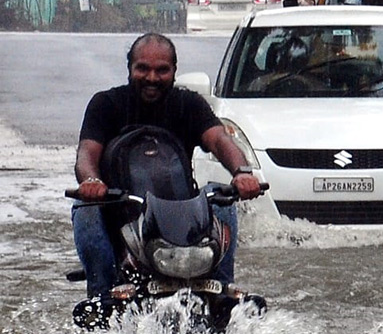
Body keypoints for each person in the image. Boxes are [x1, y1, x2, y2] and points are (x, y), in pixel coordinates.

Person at [71, 33, 263, 298]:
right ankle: (101, 295)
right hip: (122, 211)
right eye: (143, 68)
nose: (152, 78)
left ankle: (221, 289)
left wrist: (242, 173)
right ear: (130, 68)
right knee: (85, 208)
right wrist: (91, 182)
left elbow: (220, 140)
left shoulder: (190, 104)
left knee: (221, 200)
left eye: (161, 70)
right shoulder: (106, 104)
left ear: (174, 71)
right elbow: (86, 154)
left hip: (181, 217)